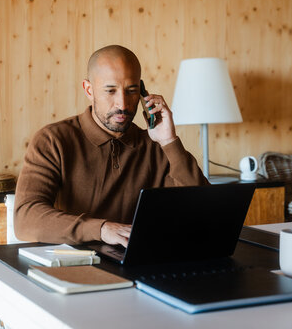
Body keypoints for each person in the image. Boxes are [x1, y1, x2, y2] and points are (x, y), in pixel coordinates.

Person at [14, 45, 208, 247]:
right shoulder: (53, 140)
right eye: (110, 91)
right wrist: (101, 229)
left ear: (142, 93)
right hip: (75, 263)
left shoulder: (155, 146)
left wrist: (169, 142)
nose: (122, 104)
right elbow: (25, 219)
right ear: (89, 90)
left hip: (138, 262)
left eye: (131, 91)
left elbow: (202, 211)